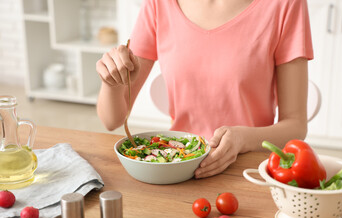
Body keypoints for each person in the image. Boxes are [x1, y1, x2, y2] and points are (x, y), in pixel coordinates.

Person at [96, 0, 314, 179]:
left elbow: (295, 126)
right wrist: (111, 81)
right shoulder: (159, 4)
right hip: (179, 169)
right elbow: (112, 120)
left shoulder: (286, 4)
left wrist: (242, 139)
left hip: (250, 171)